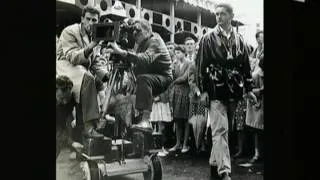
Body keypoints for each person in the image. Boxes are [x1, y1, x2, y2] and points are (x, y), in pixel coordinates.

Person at [193, 3, 257, 180]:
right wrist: (203, 91)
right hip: (215, 88)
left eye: (222, 14)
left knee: (224, 130)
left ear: (231, 16)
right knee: (220, 130)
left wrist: (249, 89)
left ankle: (215, 166)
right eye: (217, 14)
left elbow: (246, 67)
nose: (218, 17)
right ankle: (224, 172)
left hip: (234, 90)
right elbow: (200, 66)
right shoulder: (207, 38)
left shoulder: (240, 40)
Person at [106, 20, 173, 133]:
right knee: (124, 90)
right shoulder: (141, 44)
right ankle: (111, 116)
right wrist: (132, 77)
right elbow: (136, 63)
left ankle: (146, 121)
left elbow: (144, 59)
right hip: (150, 75)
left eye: (138, 30)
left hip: (163, 77)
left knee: (143, 79)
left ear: (147, 31)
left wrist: (120, 51)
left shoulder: (155, 40)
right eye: (133, 31)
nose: (134, 33)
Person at [56, 6, 110, 138]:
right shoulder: (69, 31)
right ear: (82, 19)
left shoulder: (94, 35)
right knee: (88, 78)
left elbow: (95, 61)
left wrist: (106, 76)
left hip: (81, 70)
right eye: (88, 19)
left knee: (97, 81)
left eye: (94, 20)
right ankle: (89, 127)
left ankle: (89, 125)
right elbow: (73, 57)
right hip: (65, 66)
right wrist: (93, 45)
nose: (91, 23)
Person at [168, 45, 191, 153]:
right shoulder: (175, 64)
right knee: (177, 119)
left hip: (185, 92)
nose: (177, 54)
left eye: (179, 52)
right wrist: (171, 69)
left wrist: (173, 81)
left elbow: (185, 78)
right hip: (176, 93)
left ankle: (185, 144)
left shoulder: (189, 63)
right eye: (176, 52)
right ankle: (178, 143)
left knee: (185, 119)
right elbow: (170, 76)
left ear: (184, 52)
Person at [56, 75, 84, 158]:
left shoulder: (71, 97)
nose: (65, 102)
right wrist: (71, 143)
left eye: (67, 98)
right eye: (61, 98)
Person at [246, 52, 264, 163]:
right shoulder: (256, 75)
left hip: (261, 106)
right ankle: (257, 153)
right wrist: (261, 91)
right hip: (258, 105)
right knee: (257, 131)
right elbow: (249, 90)